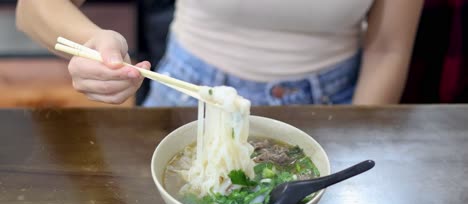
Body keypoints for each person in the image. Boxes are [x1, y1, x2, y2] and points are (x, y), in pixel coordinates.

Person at [16, 0, 423, 106]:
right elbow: (33, 9)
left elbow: (389, 48)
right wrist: (94, 42)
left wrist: (362, 131)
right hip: (186, 93)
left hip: (335, 104)